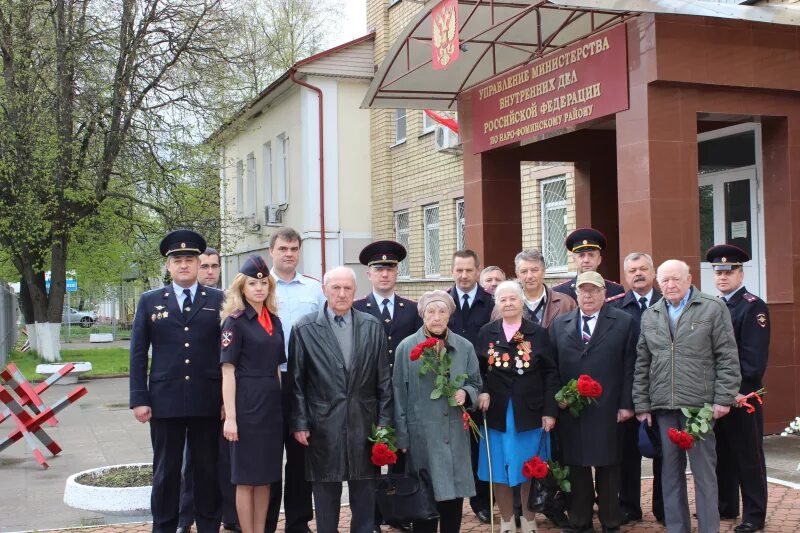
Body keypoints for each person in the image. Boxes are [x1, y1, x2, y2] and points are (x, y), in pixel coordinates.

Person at [634, 259, 741, 533]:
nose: (670, 285)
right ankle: (677, 529)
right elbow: (642, 363)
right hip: (664, 407)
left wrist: (723, 398)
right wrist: (642, 405)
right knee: (670, 475)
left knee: (705, 475)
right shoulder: (651, 314)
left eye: (675, 279)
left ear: (689, 278)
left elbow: (727, 357)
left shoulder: (712, 308)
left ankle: (709, 529)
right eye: (664, 280)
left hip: (699, 408)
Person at [129, 229, 224, 533]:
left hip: (207, 399)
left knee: (208, 471)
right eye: (178, 260)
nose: (184, 265)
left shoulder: (220, 300)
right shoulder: (150, 301)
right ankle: (165, 527)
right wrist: (139, 398)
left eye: (190, 260)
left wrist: (226, 401)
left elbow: (228, 351)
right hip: (164, 401)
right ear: (168, 266)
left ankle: (209, 525)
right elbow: (138, 352)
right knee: (166, 472)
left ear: (199, 264)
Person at [289, 266, 393, 533]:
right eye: (335, 288)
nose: (342, 293)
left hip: (364, 421)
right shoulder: (305, 328)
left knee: (364, 492)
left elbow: (383, 380)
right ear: (324, 290)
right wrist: (300, 422)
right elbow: (297, 381)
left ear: (355, 291)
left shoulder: (372, 326)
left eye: (347, 288)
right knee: (325, 493)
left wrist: (383, 421)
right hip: (323, 422)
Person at [549, 271, 636, 533]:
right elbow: (552, 368)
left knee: (608, 466)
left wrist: (626, 404)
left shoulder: (623, 322)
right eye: (583, 290)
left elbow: (630, 366)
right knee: (576, 466)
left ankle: (610, 521)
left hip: (608, 407)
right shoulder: (560, 324)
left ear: (604, 293)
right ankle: (579, 520)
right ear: (576, 294)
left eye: (594, 290)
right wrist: (558, 400)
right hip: (572, 410)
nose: (588, 295)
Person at [393, 290, 483, 533]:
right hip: (422, 435)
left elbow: (476, 383)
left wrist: (466, 393)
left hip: (455, 432)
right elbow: (399, 394)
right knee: (424, 499)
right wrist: (401, 436)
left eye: (442, 311)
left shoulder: (464, 347)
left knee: (453, 498)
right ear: (422, 315)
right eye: (431, 311)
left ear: (449, 315)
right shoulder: (406, 348)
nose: (436, 317)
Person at [476, 281, 559, 533]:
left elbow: (551, 374)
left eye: (513, 298)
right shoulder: (487, 333)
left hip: (530, 413)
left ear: (522, 301)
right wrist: (482, 392)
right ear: (496, 304)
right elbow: (477, 372)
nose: (508, 303)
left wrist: (549, 411)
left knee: (529, 468)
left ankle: (529, 519)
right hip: (497, 413)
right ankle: (507, 520)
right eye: (503, 299)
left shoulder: (537, 333)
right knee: (500, 469)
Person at [353, 240, 421, 533]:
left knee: (400, 456)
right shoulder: (357, 309)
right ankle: (372, 518)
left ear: (397, 273)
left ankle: (398, 511)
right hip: (366, 396)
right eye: (378, 269)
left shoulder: (413, 310)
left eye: (390, 269)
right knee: (369, 459)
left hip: (401, 395)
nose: (384, 274)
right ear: (368, 274)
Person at [265, 227, 326, 533]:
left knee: (301, 457)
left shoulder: (314, 290)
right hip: (269, 382)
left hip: (304, 381)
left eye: (294, 248)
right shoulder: (261, 288)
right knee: (269, 456)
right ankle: (266, 522)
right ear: (271, 252)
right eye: (283, 248)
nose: (289, 254)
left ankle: (298, 523)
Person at [220, 255, 285, 533]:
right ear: (241, 288)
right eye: (252, 283)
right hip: (246, 406)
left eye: (263, 283)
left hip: (271, 408)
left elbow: (277, 369)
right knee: (246, 478)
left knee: (267, 477)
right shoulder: (234, 322)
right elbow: (227, 372)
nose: (259, 288)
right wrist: (231, 418)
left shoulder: (275, 321)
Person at [707, 245, 770, 533]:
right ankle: (726, 505)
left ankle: (754, 514)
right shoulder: (714, 305)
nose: (722, 276)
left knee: (749, 458)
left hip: (743, 396)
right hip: (718, 395)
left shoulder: (752, 306)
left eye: (728, 271)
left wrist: (737, 391)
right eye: (718, 272)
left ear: (741, 273)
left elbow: (753, 358)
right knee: (722, 454)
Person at [179, 247, 240, 533]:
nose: (210, 272)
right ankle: (184, 516)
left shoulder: (226, 302)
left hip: (221, 392)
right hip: (191, 394)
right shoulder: (181, 302)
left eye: (214, 266)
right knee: (190, 461)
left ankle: (227, 514)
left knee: (222, 459)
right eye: (204, 266)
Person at [611, 252, 664, 525]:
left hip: (665, 392)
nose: (638, 274)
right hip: (630, 392)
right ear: (626, 275)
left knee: (665, 454)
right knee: (628, 453)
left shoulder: (669, 303)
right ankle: (629, 506)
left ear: (653, 273)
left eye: (643, 269)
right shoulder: (617, 307)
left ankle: (664, 508)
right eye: (632, 270)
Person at [447, 249, 494, 523]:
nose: (463, 276)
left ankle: (481, 502)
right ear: (453, 271)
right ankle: (449, 503)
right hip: (447, 389)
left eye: (469, 270)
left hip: (481, 388)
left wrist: (484, 387)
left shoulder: (490, 303)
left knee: (479, 448)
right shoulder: (442, 302)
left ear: (478, 270)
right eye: (458, 270)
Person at [552, 228, 624, 301]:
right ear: (574, 260)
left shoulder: (615, 290)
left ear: (599, 260)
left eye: (591, 255)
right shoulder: (559, 292)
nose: (586, 260)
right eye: (581, 255)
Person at [514, 249, 576, 327]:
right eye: (524, 271)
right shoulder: (506, 305)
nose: (529, 276)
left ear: (543, 272)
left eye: (534, 270)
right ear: (517, 275)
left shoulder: (566, 303)